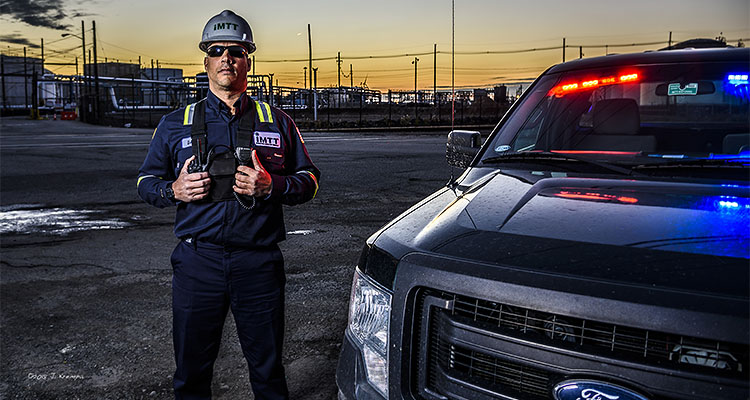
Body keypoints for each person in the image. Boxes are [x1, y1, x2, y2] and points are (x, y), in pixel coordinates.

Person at [137, 9, 320, 400]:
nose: (226, 58)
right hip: (197, 263)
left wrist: (272, 185)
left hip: (258, 263)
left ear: (247, 59)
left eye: (235, 51)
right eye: (217, 50)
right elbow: (144, 182)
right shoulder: (175, 123)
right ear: (205, 60)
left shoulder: (278, 122)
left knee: (268, 373)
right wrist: (174, 189)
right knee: (190, 374)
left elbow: (311, 180)